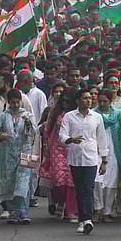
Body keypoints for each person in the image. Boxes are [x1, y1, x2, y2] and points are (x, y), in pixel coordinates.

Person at [59, 89, 109, 235]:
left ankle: (87, 219)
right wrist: (70, 140)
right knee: (80, 189)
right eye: (85, 98)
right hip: (75, 157)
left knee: (88, 188)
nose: (88, 100)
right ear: (78, 101)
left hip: (91, 157)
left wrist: (104, 160)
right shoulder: (69, 116)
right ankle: (82, 219)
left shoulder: (97, 117)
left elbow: (101, 139)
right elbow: (62, 134)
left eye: (90, 98)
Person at [0, 89, 37, 224]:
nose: (15, 105)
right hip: (8, 155)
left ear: (21, 101)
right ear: (8, 102)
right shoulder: (4, 116)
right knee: (9, 183)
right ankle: (12, 211)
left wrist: (28, 124)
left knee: (24, 182)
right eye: (12, 103)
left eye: (17, 102)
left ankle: (23, 210)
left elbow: (35, 132)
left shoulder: (27, 115)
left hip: (26, 153)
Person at [40, 87, 78, 223]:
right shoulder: (55, 112)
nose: (65, 103)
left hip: (73, 147)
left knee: (72, 181)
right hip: (57, 148)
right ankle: (60, 202)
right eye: (63, 100)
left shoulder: (77, 113)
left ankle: (70, 210)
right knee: (59, 179)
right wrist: (46, 146)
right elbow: (47, 129)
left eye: (68, 101)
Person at [93, 89, 121, 223]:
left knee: (111, 183)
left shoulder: (118, 114)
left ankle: (107, 211)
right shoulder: (93, 114)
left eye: (105, 101)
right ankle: (97, 209)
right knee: (97, 181)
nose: (102, 104)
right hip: (97, 152)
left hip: (114, 152)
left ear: (111, 101)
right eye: (100, 101)